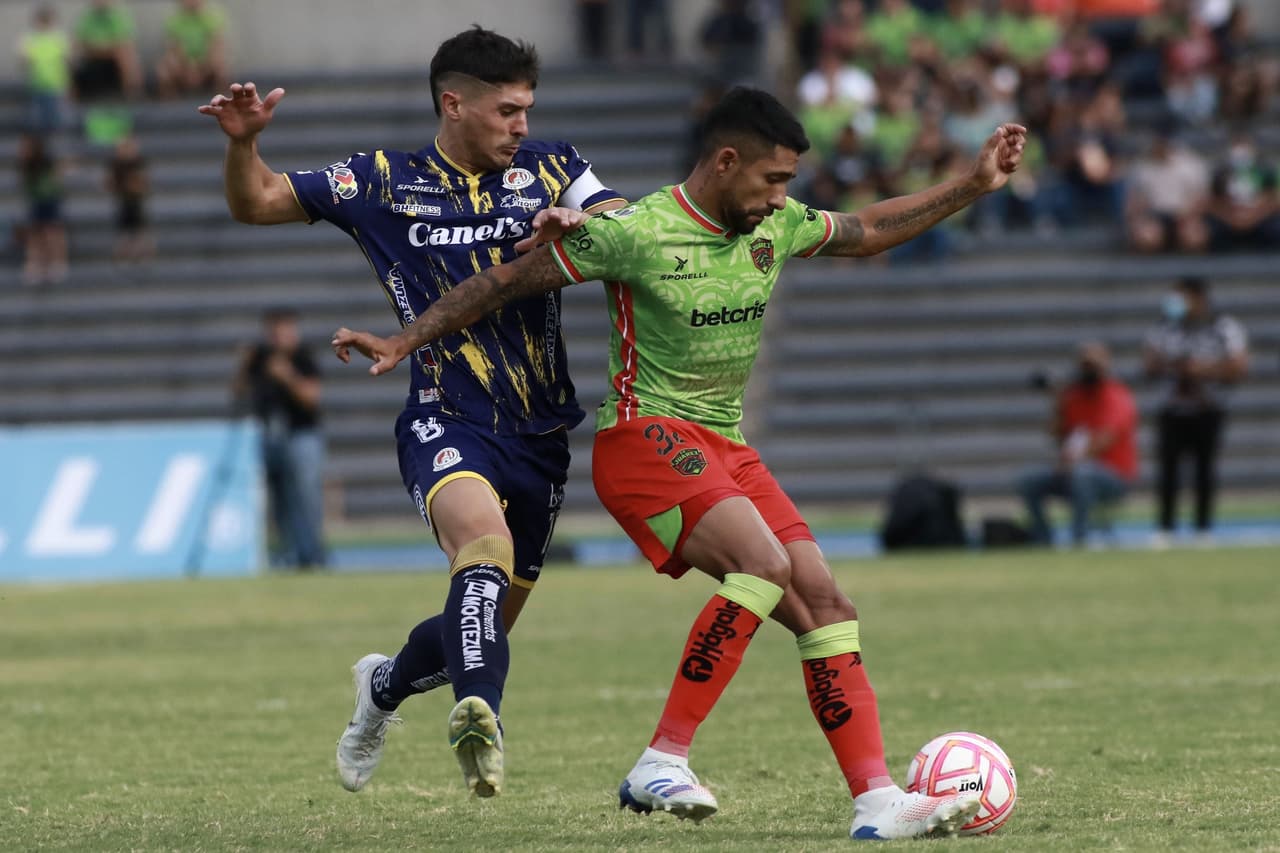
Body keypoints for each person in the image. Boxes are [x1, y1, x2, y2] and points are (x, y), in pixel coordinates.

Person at [331, 86, 1026, 840]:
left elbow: (865, 230)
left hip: (724, 447)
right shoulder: (637, 231)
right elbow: (500, 283)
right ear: (726, 162)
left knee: (827, 605)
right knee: (764, 567)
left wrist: (972, 184)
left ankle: (877, 799)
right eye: (772, 179)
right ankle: (661, 759)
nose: (780, 198)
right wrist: (406, 340)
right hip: (643, 441)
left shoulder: (779, 226)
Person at [198, 26, 625, 798]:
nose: (521, 125)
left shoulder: (553, 166)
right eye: (507, 111)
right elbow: (256, 201)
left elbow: (623, 217)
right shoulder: (382, 180)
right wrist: (243, 146)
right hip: (445, 414)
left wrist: (586, 224)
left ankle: (384, 687)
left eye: (527, 109)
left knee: (484, 625)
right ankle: (480, 718)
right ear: (453, 103)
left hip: (540, 431)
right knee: (482, 550)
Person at [1143, 276, 1249, 544]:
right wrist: (1174, 368)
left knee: (1204, 468)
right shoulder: (1164, 328)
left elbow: (1238, 367)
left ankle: (1203, 528)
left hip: (1208, 407)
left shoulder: (1224, 327)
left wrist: (1202, 370)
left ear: (1198, 298)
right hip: (1172, 408)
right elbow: (1149, 364)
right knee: (1168, 470)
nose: (1174, 303)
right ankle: (1165, 527)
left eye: (1181, 297)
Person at [1017, 342, 1139, 547]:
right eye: (1085, 365)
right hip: (1071, 470)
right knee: (1028, 480)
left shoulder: (1117, 396)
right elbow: (1056, 435)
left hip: (1113, 475)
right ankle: (1043, 538)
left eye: (1093, 365)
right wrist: (1058, 402)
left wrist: (1071, 463)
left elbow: (1106, 439)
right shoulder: (1073, 396)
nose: (1088, 370)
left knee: (1083, 474)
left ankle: (1078, 538)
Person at [232, 308, 327, 569]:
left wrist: (287, 376)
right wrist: (244, 364)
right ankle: (288, 554)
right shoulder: (260, 357)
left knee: (306, 496)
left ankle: (312, 554)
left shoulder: (303, 357)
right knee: (278, 499)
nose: (279, 338)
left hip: (301, 434)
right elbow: (239, 392)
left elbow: (312, 398)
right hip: (269, 435)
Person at [16, 132, 68, 286]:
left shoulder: (46, 162)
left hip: (49, 200)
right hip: (37, 200)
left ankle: (57, 262)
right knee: (35, 233)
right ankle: (35, 264)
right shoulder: (26, 164)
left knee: (51, 232)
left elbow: (56, 180)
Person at [72, 0, 142, 101]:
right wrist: (103, 47)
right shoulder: (87, 18)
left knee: (126, 56)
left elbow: (125, 44)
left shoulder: (119, 17)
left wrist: (101, 47)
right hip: (92, 58)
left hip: (113, 58)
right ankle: (71, 105)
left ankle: (133, 96)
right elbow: (79, 44)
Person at [156, 0, 227, 98]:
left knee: (221, 67)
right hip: (183, 66)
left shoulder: (212, 19)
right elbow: (174, 50)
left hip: (206, 65)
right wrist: (187, 69)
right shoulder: (174, 21)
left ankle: (222, 102)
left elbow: (215, 49)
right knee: (163, 71)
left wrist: (202, 70)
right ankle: (170, 105)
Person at [18, 5, 72, 133]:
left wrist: (69, 85)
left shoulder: (59, 39)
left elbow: (68, 63)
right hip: (37, 86)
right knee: (38, 122)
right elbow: (24, 62)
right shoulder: (30, 39)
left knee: (56, 121)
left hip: (56, 86)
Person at [106, 134, 153, 263]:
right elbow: (110, 184)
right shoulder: (117, 166)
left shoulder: (138, 164)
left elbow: (142, 184)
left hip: (135, 202)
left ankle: (143, 256)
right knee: (124, 233)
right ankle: (124, 257)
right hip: (124, 202)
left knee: (139, 231)